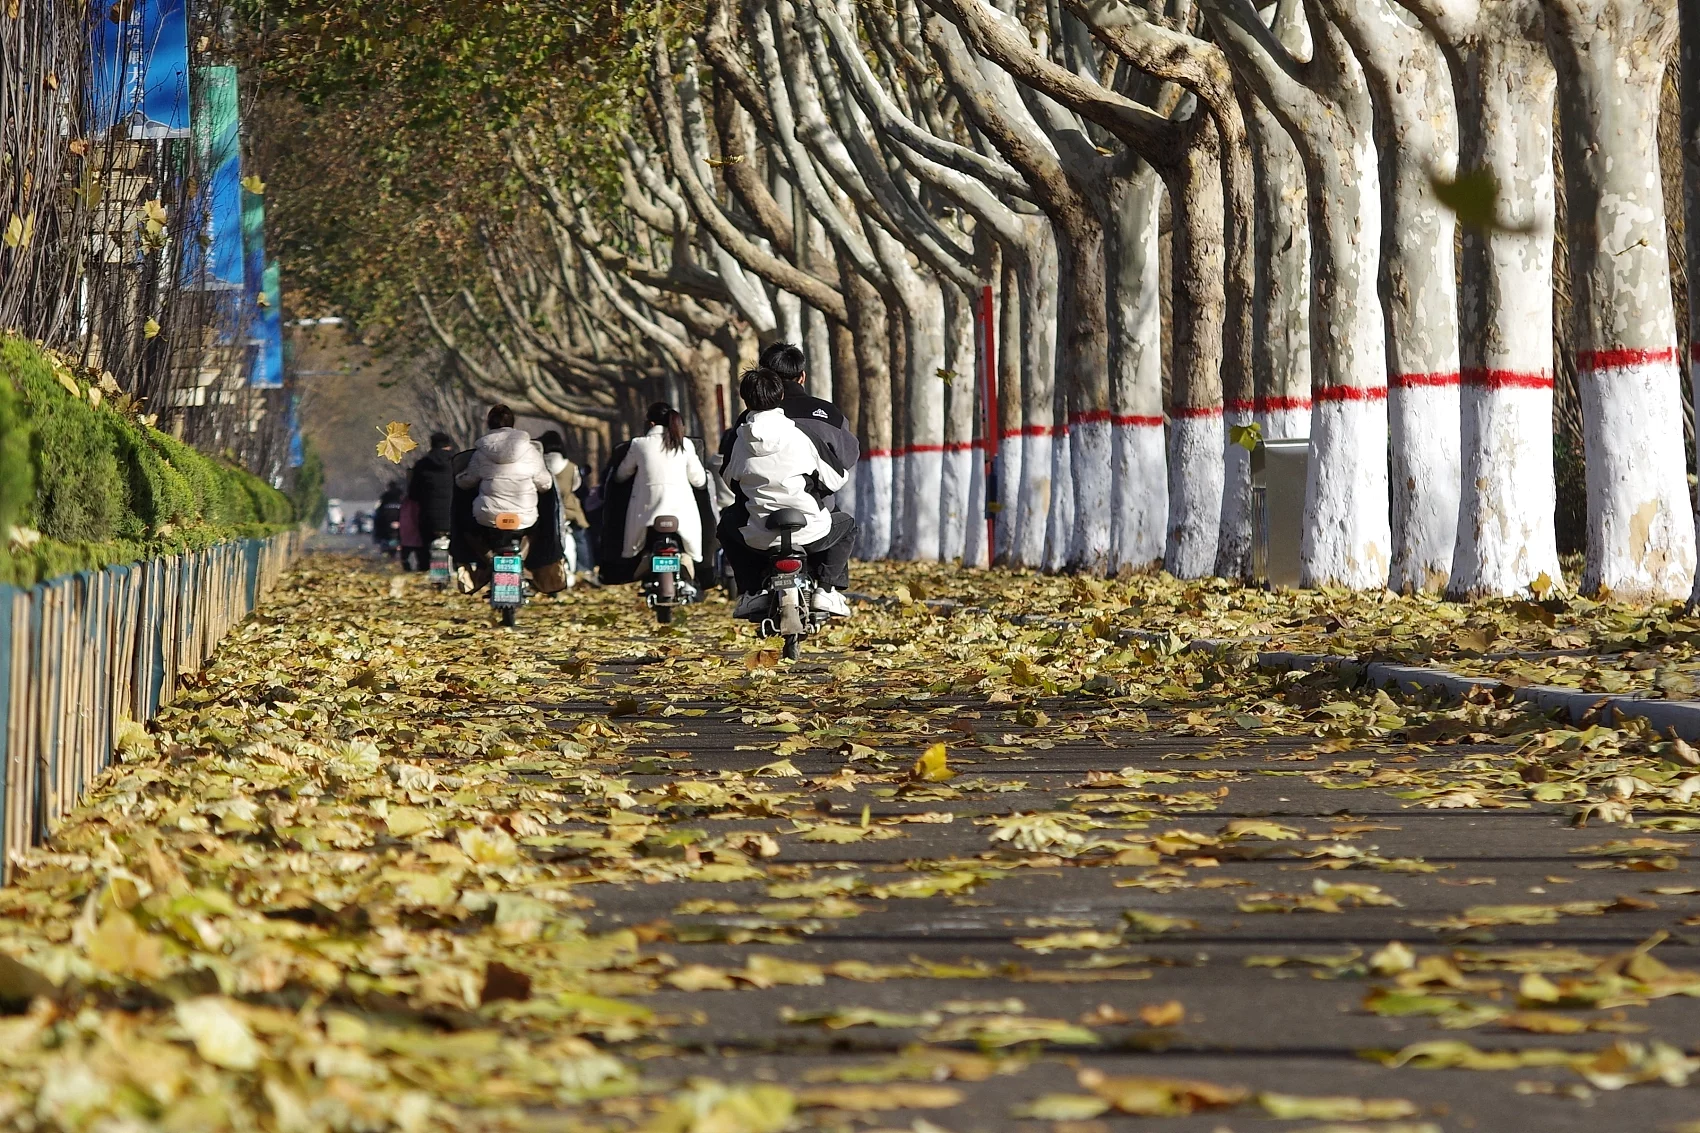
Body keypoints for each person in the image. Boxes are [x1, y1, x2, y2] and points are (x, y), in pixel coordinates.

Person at [717, 342, 858, 595]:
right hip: (812, 520)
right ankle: (828, 591)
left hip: (757, 526)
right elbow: (843, 466)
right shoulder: (823, 417)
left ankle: (749, 592)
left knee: (727, 523)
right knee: (843, 520)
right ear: (802, 376)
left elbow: (730, 477)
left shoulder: (743, 427)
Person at [454, 405, 553, 582]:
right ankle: (523, 561)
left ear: (489, 424)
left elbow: (466, 481)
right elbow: (545, 484)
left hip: (489, 516)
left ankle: (490, 560)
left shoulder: (481, 452)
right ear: (513, 423)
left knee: (468, 529)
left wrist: (459, 477)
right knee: (538, 528)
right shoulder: (530, 451)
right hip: (524, 516)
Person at [615, 403, 707, 588]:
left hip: (646, 513)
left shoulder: (639, 444)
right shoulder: (685, 444)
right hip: (682, 514)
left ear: (650, 423)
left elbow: (621, 475)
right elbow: (699, 481)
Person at [539, 430, 588, 586]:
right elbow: (576, 487)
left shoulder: (538, 464)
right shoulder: (570, 467)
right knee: (581, 537)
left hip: (544, 511)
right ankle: (585, 569)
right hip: (568, 512)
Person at [408, 432, 457, 559]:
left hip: (429, 518)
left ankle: (424, 566)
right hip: (454, 517)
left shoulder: (422, 465)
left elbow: (413, 494)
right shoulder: (457, 462)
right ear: (449, 446)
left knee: (425, 543)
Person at [373, 483, 403, 555]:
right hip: (397, 522)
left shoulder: (386, 496)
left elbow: (379, 510)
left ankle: (378, 539)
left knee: (377, 522)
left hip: (387, 523)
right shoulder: (400, 495)